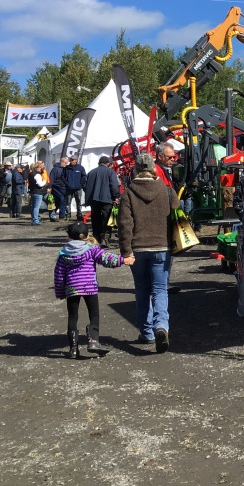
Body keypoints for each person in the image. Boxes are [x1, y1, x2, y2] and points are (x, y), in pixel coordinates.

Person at [118, 152, 179, 353]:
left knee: (142, 291)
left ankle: (147, 333)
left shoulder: (128, 192)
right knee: (160, 290)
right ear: (154, 169)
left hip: (137, 248)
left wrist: (126, 251)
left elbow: (125, 225)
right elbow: (177, 218)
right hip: (162, 247)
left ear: (136, 169)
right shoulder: (167, 191)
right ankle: (161, 326)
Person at [54, 221, 123, 359]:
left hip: (72, 289)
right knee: (94, 314)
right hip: (89, 287)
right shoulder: (92, 249)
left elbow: (59, 274)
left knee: (73, 317)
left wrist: (60, 291)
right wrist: (123, 260)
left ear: (69, 236)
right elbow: (107, 259)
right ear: (86, 235)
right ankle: (93, 341)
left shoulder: (63, 253)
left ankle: (73, 349)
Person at [84, 155, 121, 247]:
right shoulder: (110, 172)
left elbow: (84, 184)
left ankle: (96, 238)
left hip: (94, 199)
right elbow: (113, 185)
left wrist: (90, 194)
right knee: (107, 219)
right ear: (108, 163)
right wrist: (116, 196)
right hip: (107, 199)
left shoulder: (91, 172)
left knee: (95, 218)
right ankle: (105, 239)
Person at [64, 156, 87, 220]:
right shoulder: (66, 168)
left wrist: (81, 184)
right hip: (69, 188)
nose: (71, 161)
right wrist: (67, 184)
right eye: (70, 160)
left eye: (73, 160)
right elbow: (63, 177)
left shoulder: (80, 168)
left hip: (78, 188)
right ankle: (68, 215)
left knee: (79, 202)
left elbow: (84, 176)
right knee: (68, 202)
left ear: (76, 160)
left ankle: (79, 215)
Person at [28, 160, 49, 225]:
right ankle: (35, 220)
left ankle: (34, 219)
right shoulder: (37, 174)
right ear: (37, 168)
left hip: (32, 191)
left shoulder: (31, 174)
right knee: (36, 207)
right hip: (38, 191)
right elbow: (40, 184)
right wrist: (45, 181)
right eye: (39, 168)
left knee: (33, 206)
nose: (40, 169)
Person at [49, 156, 69, 220]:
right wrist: (50, 187)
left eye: (67, 163)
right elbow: (51, 179)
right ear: (62, 162)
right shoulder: (55, 169)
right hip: (56, 187)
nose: (66, 164)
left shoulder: (65, 169)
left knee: (58, 201)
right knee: (61, 199)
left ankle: (55, 213)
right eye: (65, 163)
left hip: (63, 187)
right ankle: (62, 215)